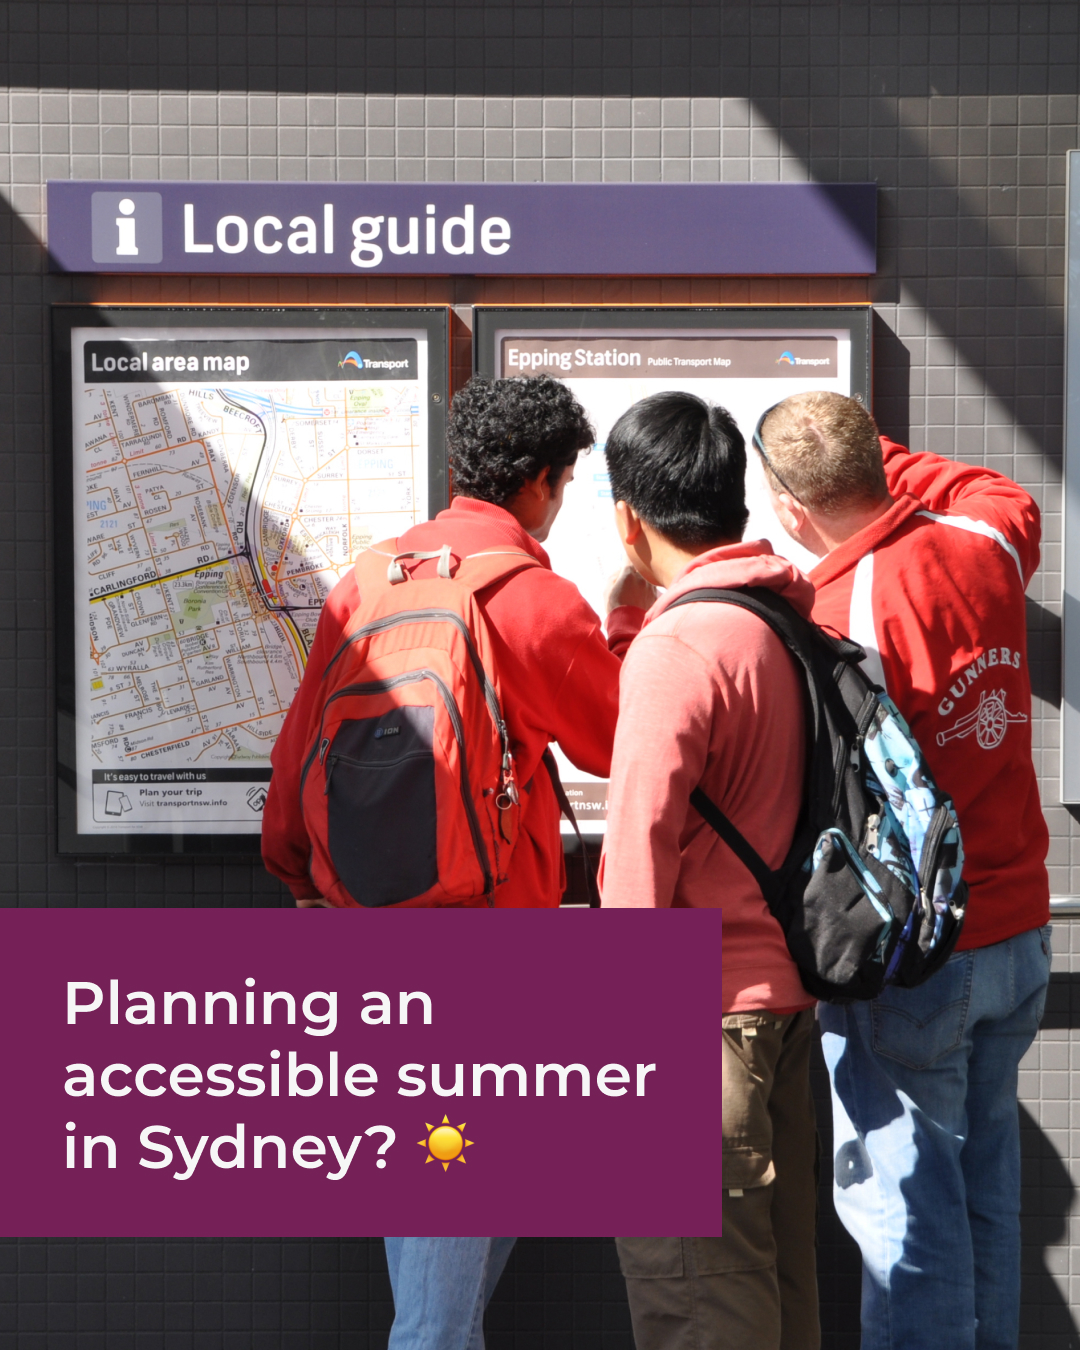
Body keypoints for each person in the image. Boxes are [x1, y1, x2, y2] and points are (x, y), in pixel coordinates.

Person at [263, 374, 649, 1350]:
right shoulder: (527, 596)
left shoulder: (367, 580)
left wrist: (301, 878)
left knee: (473, 1179)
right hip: (481, 944)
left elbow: (300, 743)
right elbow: (619, 739)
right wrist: (630, 625)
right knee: (443, 1250)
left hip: (365, 929)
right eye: (565, 486)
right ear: (544, 484)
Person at [755, 390, 1051, 1350]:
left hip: (921, 955)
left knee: (903, 1217)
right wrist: (873, 459)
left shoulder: (839, 613)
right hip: (1019, 937)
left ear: (791, 510)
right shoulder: (988, 544)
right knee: (983, 1199)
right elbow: (996, 490)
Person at [599, 391, 820, 1350]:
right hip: (782, 1014)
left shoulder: (680, 646)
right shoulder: (782, 625)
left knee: (698, 1305)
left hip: (698, 1025)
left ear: (629, 519)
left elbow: (639, 843)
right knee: (773, 1289)